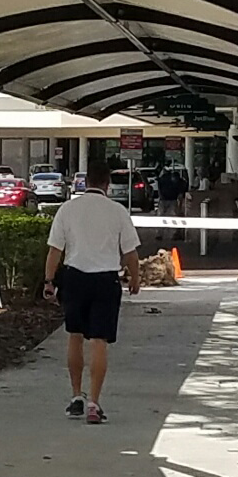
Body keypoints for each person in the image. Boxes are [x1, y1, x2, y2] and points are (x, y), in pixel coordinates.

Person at [43, 157, 142, 424]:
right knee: (99, 341)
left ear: (85, 182)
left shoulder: (67, 210)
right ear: (107, 185)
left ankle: (76, 396)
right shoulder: (118, 212)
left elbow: (55, 250)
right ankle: (94, 403)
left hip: (75, 278)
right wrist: (135, 278)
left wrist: (49, 281)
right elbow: (130, 252)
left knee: (75, 336)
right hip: (105, 281)